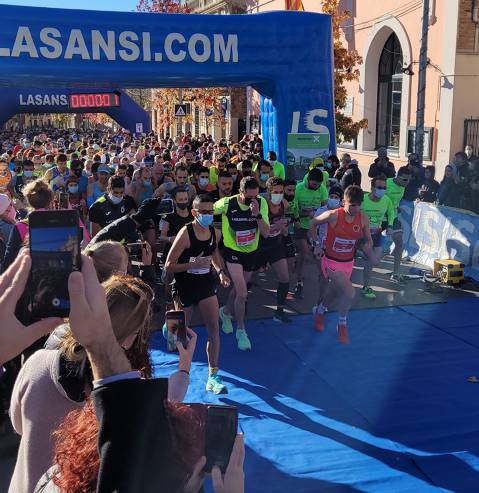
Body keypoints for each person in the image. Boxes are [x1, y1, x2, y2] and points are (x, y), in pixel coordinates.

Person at [8, 274, 171, 493]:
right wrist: (183, 371)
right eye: (134, 333)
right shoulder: (122, 400)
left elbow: (18, 424)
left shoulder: (37, 361)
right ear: (126, 337)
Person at [165, 194, 231, 394]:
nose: (208, 215)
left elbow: (214, 254)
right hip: (184, 286)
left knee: (213, 328)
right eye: (204, 212)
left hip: (205, 285)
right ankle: (172, 335)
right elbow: (169, 265)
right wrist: (191, 264)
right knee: (181, 335)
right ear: (194, 213)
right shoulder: (185, 233)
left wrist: (221, 272)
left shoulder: (215, 233)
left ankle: (213, 375)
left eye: (211, 211)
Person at [309, 186, 373, 343]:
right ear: (344, 202)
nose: (355, 208)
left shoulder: (363, 218)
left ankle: (320, 310)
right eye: (352, 205)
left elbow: (368, 238)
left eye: (358, 205)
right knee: (349, 292)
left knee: (335, 291)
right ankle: (342, 324)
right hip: (330, 261)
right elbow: (312, 223)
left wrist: (367, 247)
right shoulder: (333, 215)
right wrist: (316, 244)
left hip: (348, 262)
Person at [214, 177, 270, 350]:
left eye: (255, 197)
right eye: (248, 198)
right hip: (233, 252)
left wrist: (257, 214)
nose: (252, 201)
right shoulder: (226, 203)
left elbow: (266, 233)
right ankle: (241, 330)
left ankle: (225, 312)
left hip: (251, 252)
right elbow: (205, 209)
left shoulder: (261, 203)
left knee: (239, 290)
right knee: (243, 293)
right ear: (240, 192)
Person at [254, 177, 291, 323]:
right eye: (276, 192)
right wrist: (277, 226)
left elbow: (283, 224)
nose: (279, 195)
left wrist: (284, 229)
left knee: (285, 278)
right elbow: (262, 230)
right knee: (249, 278)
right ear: (268, 192)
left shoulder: (284, 204)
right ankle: (240, 304)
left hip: (275, 246)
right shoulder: (262, 205)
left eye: (281, 192)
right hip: (259, 247)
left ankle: (279, 311)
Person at [293, 167, 328, 298]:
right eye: (314, 185)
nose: (316, 187)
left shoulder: (322, 189)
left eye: (318, 185)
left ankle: (323, 280)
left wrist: (318, 213)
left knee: (318, 257)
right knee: (304, 252)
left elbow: (326, 208)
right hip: (301, 226)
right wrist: (307, 213)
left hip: (316, 227)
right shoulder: (298, 189)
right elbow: (295, 211)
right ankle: (299, 283)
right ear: (308, 180)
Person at [359, 175, 394, 300]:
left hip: (376, 234)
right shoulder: (362, 200)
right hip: (361, 235)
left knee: (373, 261)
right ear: (372, 187)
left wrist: (390, 225)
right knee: (371, 260)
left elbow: (391, 212)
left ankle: (365, 287)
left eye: (384, 187)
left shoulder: (386, 200)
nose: (382, 190)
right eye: (379, 187)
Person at [385, 166, 412, 282]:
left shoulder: (402, 187)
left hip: (393, 217)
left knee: (399, 241)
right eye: (405, 180)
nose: (407, 183)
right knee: (374, 251)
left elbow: (394, 201)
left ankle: (395, 273)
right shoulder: (386, 183)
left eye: (409, 180)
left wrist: (397, 207)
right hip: (380, 217)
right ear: (397, 177)